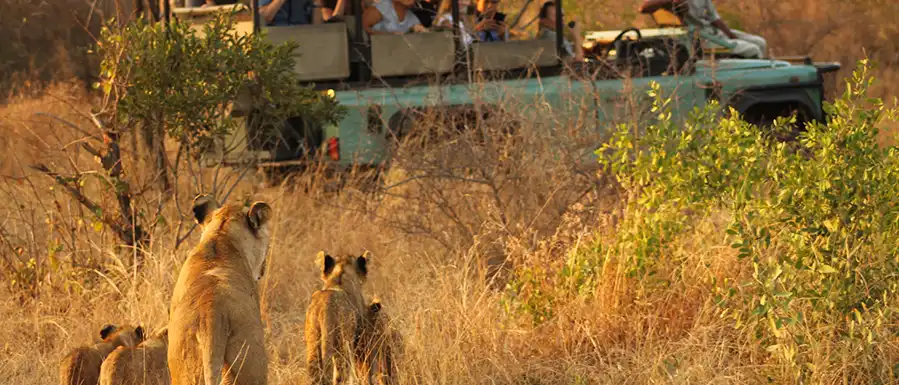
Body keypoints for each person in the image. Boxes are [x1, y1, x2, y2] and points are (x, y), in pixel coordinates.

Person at [639, 0, 767, 58]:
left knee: (760, 42)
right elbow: (643, 8)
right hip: (699, 37)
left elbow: (714, 18)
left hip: (712, 31)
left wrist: (730, 36)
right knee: (753, 49)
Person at [362, 0, 428, 35]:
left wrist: (420, 31)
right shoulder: (380, 9)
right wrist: (390, 36)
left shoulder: (413, 19)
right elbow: (364, 29)